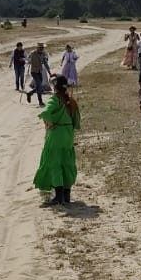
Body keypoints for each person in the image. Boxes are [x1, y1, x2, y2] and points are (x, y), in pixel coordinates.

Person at [34, 75, 81, 205]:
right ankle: (67, 195)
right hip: (68, 135)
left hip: (56, 135)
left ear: (55, 87)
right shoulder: (71, 101)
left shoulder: (55, 99)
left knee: (55, 164)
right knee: (67, 164)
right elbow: (76, 121)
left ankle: (58, 197)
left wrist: (50, 124)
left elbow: (46, 112)